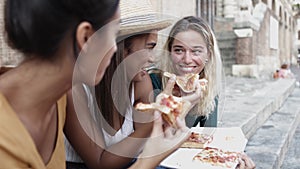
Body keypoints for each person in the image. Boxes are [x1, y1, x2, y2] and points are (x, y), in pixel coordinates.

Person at [0, 0, 189, 168]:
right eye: (114, 35)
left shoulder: (57, 100)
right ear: (86, 38)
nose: (115, 49)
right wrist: (147, 161)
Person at [64, 0, 192, 169]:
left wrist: (169, 112)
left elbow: (147, 145)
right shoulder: (75, 90)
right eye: (149, 47)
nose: (152, 58)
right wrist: (152, 122)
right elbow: (100, 163)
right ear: (122, 49)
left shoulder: (140, 81)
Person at [150, 16, 222, 128]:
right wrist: (185, 105)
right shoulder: (152, 82)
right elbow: (155, 139)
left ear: (208, 54)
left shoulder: (207, 85)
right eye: (179, 50)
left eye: (196, 51)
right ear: (169, 52)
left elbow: (209, 134)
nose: (187, 60)